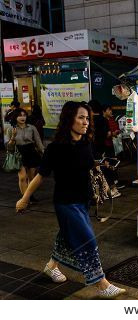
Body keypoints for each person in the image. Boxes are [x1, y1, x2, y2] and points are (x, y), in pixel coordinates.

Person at [15, 101, 126, 298]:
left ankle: (51, 266)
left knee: (66, 237)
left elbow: (87, 164)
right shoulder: (55, 148)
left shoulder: (85, 142)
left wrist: (100, 166)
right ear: (69, 120)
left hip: (83, 201)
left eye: (87, 118)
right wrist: (24, 198)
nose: (85, 122)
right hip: (66, 203)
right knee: (87, 240)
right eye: (81, 118)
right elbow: (40, 176)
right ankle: (102, 284)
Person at [8, 108, 45, 201]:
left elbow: (38, 142)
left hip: (31, 151)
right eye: (20, 115)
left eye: (24, 115)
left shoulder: (32, 128)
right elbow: (9, 147)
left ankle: (29, 195)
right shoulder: (11, 129)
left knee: (31, 177)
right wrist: (13, 137)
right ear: (15, 117)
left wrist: (44, 152)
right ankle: (25, 199)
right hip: (19, 153)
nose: (22, 117)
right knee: (22, 177)